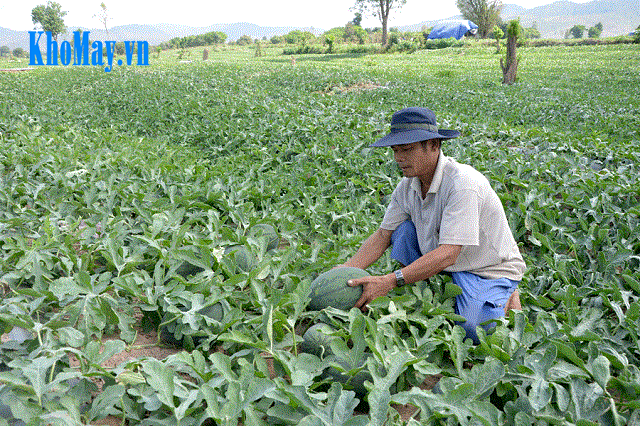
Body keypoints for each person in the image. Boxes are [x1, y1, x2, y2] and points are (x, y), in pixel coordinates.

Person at [338, 107, 525, 343]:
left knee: (474, 331)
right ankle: (434, 282)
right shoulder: (407, 186)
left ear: (434, 145)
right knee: (402, 231)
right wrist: (343, 273)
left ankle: (505, 292)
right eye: (395, 150)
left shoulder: (463, 184)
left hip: (485, 270)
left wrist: (389, 280)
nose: (398, 158)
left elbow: (449, 254)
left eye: (406, 149)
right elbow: (383, 235)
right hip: (447, 263)